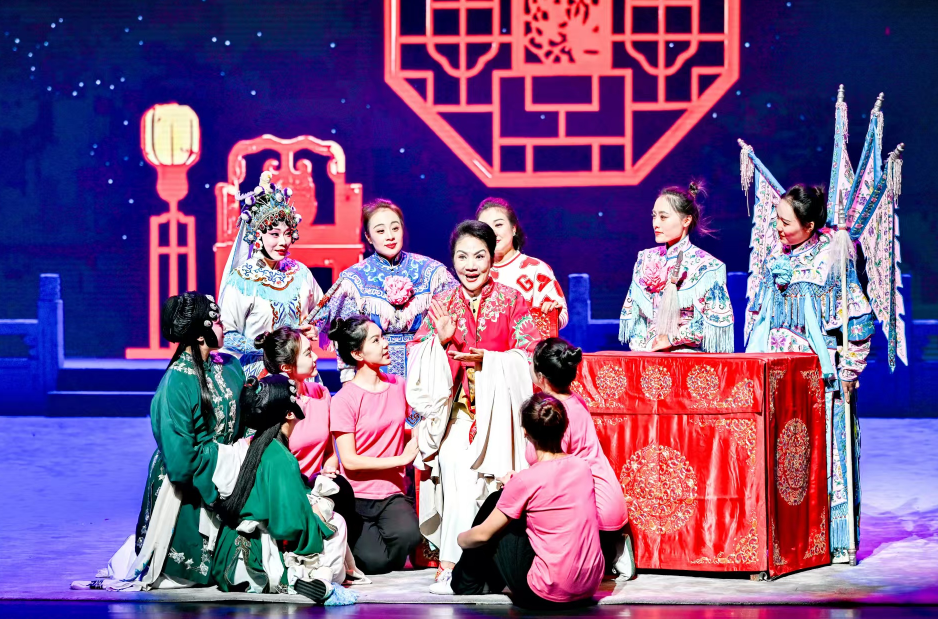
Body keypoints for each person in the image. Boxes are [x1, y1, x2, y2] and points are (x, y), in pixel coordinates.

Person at [72, 293, 245, 591]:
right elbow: (180, 460)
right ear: (200, 333)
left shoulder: (230, 366)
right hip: (191, 484)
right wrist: (219, 482)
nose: (225, 326)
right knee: (188, 576)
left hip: (232, 471)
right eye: (217, 321)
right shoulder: (176, 383)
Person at [407, 220, 542, 591]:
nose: (470, 265)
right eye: (462, 257)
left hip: (503, 419)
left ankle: (491, 567)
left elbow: (530, 355)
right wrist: (441, 342)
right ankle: (452, 564)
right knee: (458, 477)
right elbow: (417, 363)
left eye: (479, 256)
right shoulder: (442, 304)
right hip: (459, 416)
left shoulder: (512, 300)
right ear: (452, 260)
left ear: (492, 258)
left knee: (499, 485)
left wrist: (491, 362)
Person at [746, 184, 873, 563]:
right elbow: (758, 316)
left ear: (810, 225)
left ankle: (830, 539)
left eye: (786, 222)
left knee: (823, 455)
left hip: (819, 378)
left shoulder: (832, 260)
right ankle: (785, 538)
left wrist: (850, 369)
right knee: (784, 456)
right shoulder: (774, 258)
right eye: (777, 220)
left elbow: (859, 321)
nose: (778, 228)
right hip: (776, 375)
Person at [444, 393, 604, 608]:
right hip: (588, 587)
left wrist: (460, 539)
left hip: (546, 593)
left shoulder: (526, 481)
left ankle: (462, 581)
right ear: (564, 427)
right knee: (510, 504)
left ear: (526, 433)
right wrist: (515, 487)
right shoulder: (582, 467)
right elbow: (551, 493)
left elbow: (482, 535)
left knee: (495, 501)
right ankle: (476, 580)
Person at [211, 374, 358, 604]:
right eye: (296, 397)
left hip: (230, 554)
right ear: (289, 413)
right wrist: (318, 519)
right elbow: (288, 527)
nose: (302, 399)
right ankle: (312, 578)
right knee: (336, 523)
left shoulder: (258, 444)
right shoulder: (281, 458)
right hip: (261, 555)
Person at [310, 198, 457, 384]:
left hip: (424, 373)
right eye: (380, 231)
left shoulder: (431, 271)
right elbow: (345, 337)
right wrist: (348, 381)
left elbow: (459, 310)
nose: (390, 236)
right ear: (368, 237)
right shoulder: (353, 279)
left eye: (395, 228)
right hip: (375, 376)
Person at [528, 337, 634, 579]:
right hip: (609, 505)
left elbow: (548, 467)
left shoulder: (555, 413)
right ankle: (611, 550)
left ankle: (606, 553)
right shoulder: (575, 401)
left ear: (541, 376)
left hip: (595, 513)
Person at [328, 315, 423, 574]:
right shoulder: (344, 399)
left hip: (392, 492)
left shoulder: (398, 385)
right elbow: (349, 460)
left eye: (383, 337)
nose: (385, 344)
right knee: (375, 563)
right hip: (357, 497)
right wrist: (401, 459)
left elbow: (414, 422)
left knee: (410, 537)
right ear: (357, 353)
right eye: (376, 340)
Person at [253, 327, 361, 551]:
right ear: (286, 367)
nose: (315, 357)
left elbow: (330, 452)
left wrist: (328, 470)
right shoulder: (272, 402)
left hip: (316, 486)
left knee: (341, 488)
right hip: (286, 490)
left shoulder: (321, 393)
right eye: (308, 353)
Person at [219, 171, 323, 376]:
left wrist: (314, 328)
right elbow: (226, 335)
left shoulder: (300, 273)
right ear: (257, 235)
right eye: (274, 234)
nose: (283, 242)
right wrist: (266, 346)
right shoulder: (242, 280)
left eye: (287, 234)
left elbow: (321, 311)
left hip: (302, 372)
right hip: (261, 374)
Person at [619, 182, 734, 353]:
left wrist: (672, 339)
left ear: (686, 220)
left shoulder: (708, 266)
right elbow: (635, 315)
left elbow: (715, 322)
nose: (655, 224)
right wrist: (645, 346)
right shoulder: (646, 259)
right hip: (647, 353)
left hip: (687, 356)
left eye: (663, 217)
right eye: (654, 216)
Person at [476, 197, 568, 334]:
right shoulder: (473, 272)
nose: (492, 232)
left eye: (498, 225)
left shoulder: (536, 269)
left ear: (513, 228)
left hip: (528, 346)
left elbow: (562, 315)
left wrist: (551, 314)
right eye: (486, 227)